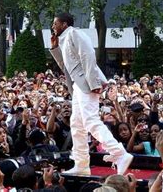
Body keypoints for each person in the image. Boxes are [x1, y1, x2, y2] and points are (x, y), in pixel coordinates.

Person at [50, 12, 133, 175]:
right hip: (78, 85)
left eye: (55, 23)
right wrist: (54, 48)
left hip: (86, 83)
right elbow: (65, 67)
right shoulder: (65, 38)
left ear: (64, 24)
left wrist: (94, 83)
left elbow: (88, 56)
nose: (53, 26)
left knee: (90, 121)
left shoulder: (75, 33)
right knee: (77, 125)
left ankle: (119, 153)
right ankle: (81, 164)